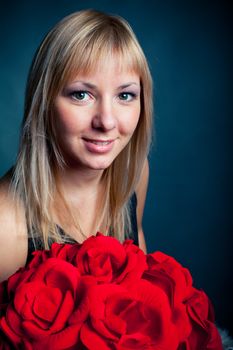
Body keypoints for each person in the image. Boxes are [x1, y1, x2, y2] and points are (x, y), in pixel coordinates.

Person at [0, 9, 153, 282]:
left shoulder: (134, 173)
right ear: (44, 102)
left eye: (126, 95)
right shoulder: (5, 224)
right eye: (81, 95)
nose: (106, 121)